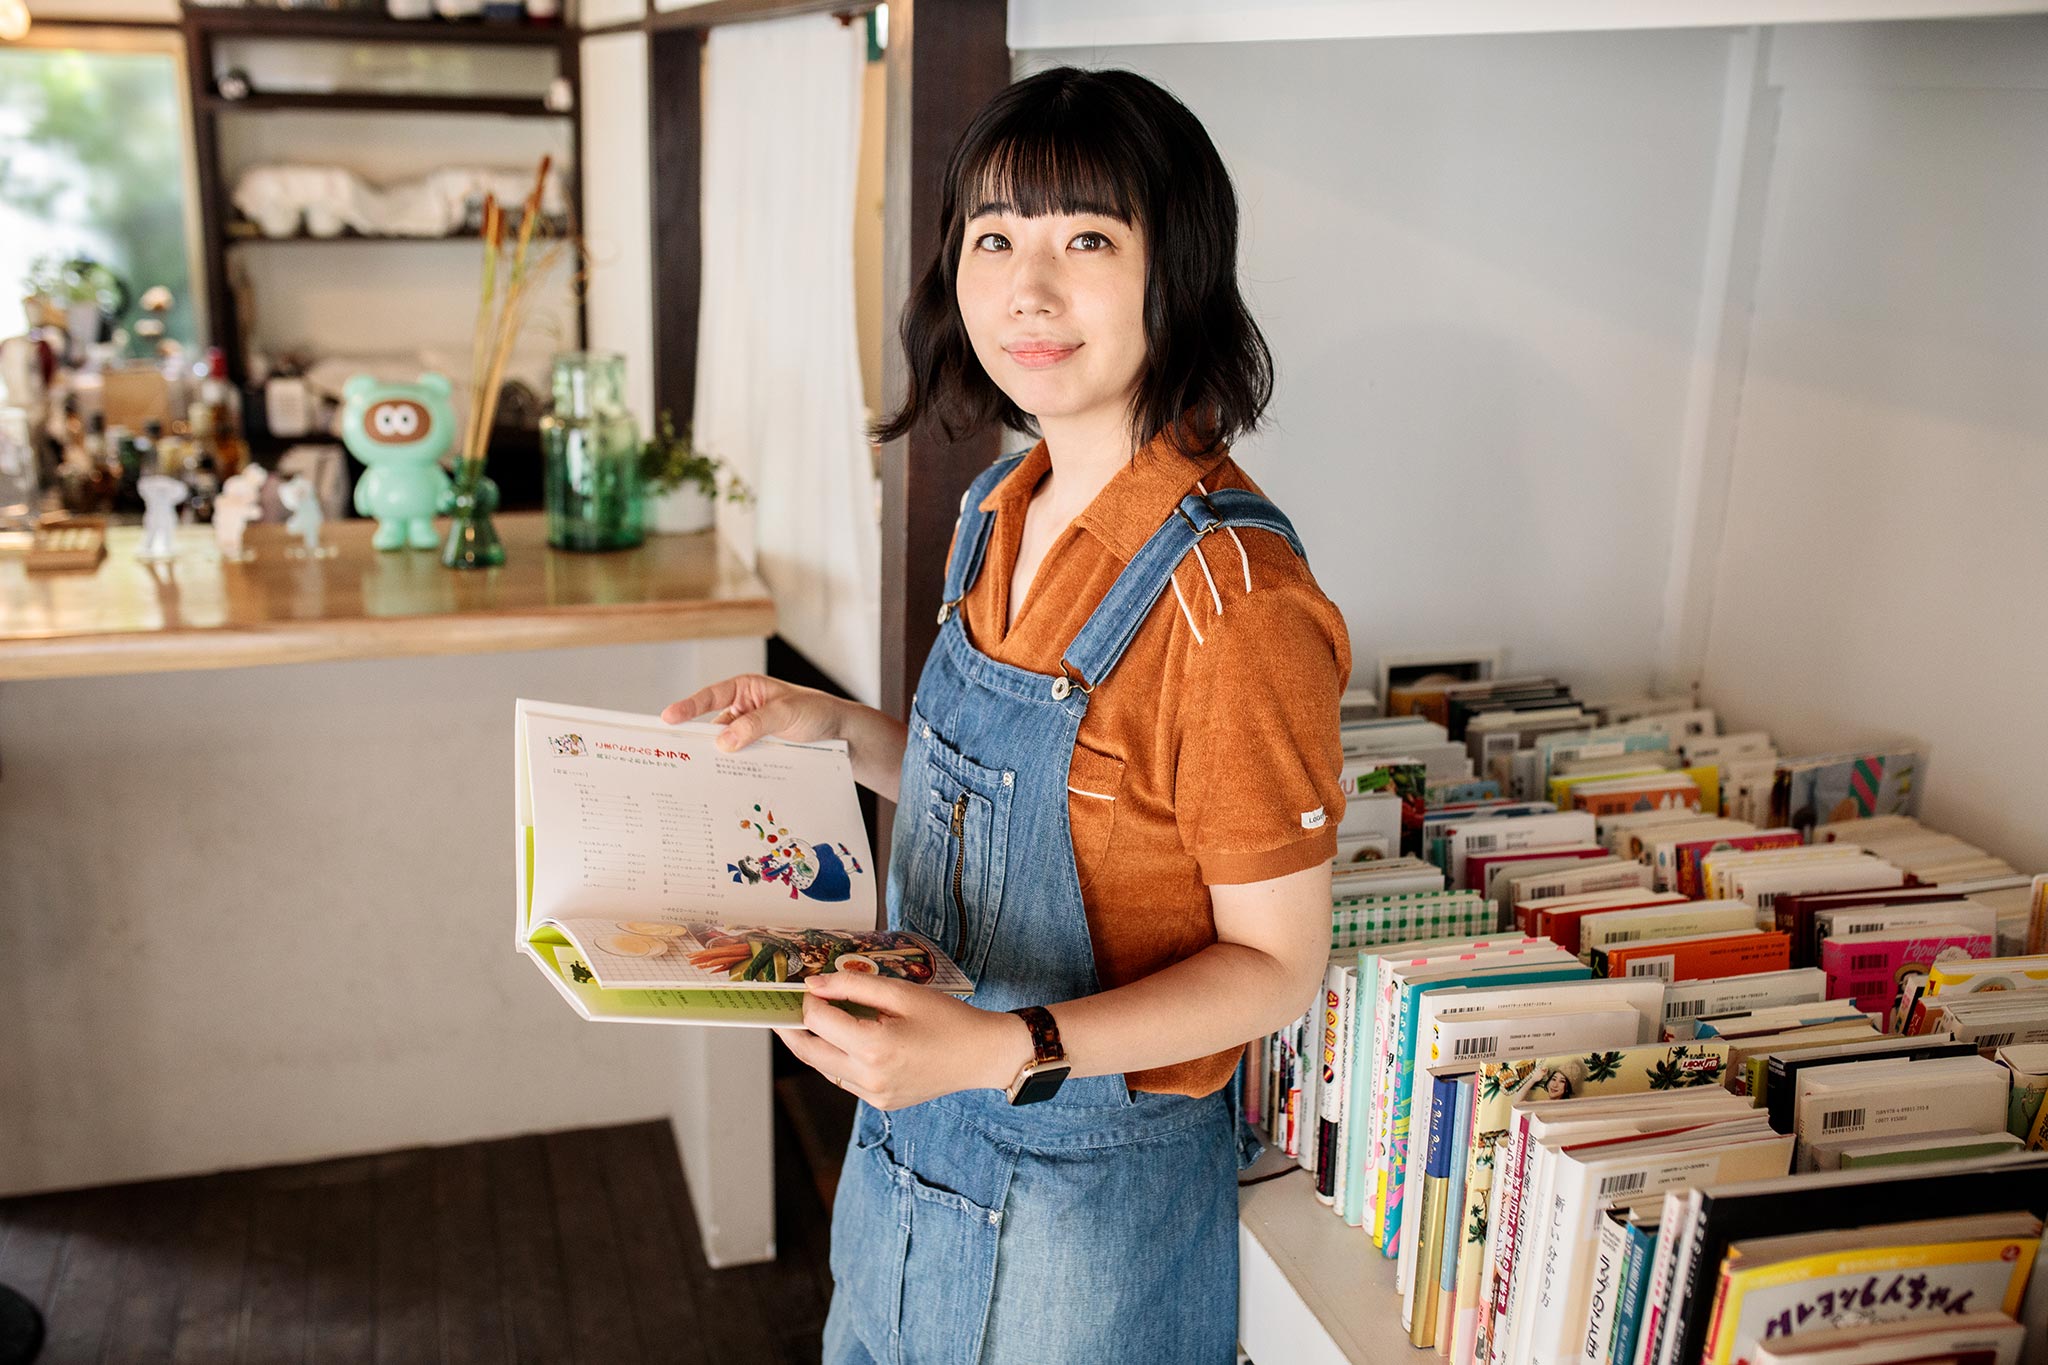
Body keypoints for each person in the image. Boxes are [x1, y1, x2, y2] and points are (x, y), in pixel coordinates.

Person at [662, 66, 1350, 1365]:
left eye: (1086, 237)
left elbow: (1278, 966)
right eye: (995, 238)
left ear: (1178, 269)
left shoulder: (1236, 603)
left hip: (1085, 1208)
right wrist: (833, 726)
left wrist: (1004, 1047)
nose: (1028, 288)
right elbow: (1004, 787)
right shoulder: (997, 509)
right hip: (907, 1138)